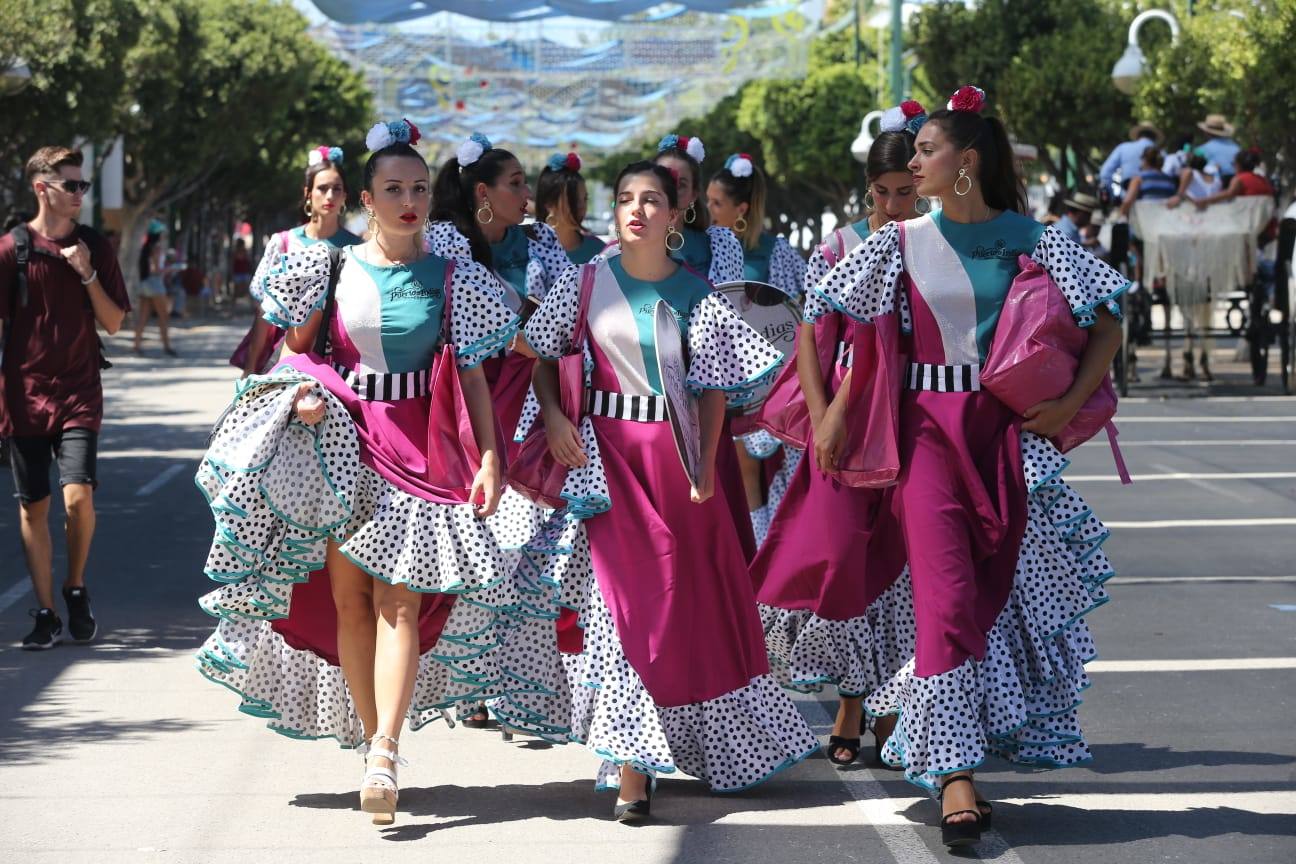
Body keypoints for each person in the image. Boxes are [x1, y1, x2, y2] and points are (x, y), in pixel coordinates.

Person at [811, 85, 1124, 848]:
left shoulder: (1032, 235)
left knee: (985, 594)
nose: (912, 161)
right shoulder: (898, 241)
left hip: (1001, 436)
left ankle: (958, 745)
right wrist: (833, 418)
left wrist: (1067, 403)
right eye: (912, 152)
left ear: (967, 162)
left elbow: (1108, 318)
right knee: (947, 597)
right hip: (924, 436)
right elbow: (849, 329)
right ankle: (955, 775)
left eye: (926, 150)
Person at [194, 119, 523, 826]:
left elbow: (471, 378)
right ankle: (373, 744)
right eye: (393, 189)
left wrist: (490, 456)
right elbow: (297, 354)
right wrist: (307, 397)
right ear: (366, 200)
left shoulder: (454, 275)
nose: (409, 200)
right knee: (350, 604)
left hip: (421, 455)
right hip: (345, 450)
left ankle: (384, 750)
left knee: (397, 603)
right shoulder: (330, 268)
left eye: (420, 188)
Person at [498, 160, 818, 822]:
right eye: (625, 199)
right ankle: (633, 769)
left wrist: (703, 470)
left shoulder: (702, 294)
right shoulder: (586, 281)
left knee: (676, 610)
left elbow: (711, 396)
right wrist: (556, 418)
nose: (636, 209)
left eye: (652, 200)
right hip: (605, 462)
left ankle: (679, 744)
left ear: (677, 216)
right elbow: (535, 354)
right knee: (621, 613)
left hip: (677, 470)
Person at [753, 103, 926, 770]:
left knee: (904, 569)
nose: (890, 206)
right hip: (849, 432)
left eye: (903, 193)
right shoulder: (841, 247)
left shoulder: (936, 241)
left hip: (916, 421)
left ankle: (889, 705)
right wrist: (823, 416)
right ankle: (854, 703)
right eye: (879, 194)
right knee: (845, 565)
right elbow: (812, 338)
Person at [425, 132, 574, 729]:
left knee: (519, 548)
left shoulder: (540, 243)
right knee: (470, 540)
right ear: (483, 192)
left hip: (531, 401)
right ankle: (466, 678)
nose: (527, 194)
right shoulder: (444, 242)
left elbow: (563, 324)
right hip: (462, 402)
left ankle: (502, 677)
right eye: (515, 184)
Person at [0, 145, 129, 649]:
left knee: (78, 497)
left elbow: (115, 322)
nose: (80, 195)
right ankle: (46, 611)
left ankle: (75, 587)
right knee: (34, 506)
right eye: (71, 185)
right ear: (42, 189)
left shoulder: (93, 246)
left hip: (78, 391)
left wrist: (87, 273)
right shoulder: (12, 250)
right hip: (23, 395)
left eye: (84, 186)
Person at [706, 152, 808, 544]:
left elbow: (796, 311)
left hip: (769, 379)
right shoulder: (706, 247)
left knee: (762, 466)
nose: (710, 210)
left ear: (741, 208)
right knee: (736, 467)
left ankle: (766, 550)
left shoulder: (775, 251)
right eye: (708, 201)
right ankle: (750, 550)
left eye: (717, 203)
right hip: (720, 373)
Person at [240, 146, 361, 377]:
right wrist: (250, 369)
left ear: (345, 195)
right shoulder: (284, 243)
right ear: (308, 193)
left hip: (339, 366)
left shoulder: (357, 249)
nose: (329, 196)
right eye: (322, 188)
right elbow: (264, 316)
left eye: (337, 189)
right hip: (288, 359)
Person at [652, 133, 744, 284]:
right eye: (663, 180)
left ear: (693, 195)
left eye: (681, 185)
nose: (670, 191)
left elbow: (734, 303)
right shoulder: (625, 249)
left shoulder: (721, 246)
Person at [535, 151, 606, 264]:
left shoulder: (600, 252)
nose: (582, 207)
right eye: (574, 199)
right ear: (549, 203)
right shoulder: (527, 251)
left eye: (585, 199)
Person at [132, 223, 176, 356]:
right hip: (155, 284)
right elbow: (156, 270)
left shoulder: (145, 248)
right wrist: (170, 269)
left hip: (144, 283)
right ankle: (167, 346)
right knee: (164, 316)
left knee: (143, 317)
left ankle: (137, 345)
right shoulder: (157, 248)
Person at [1098, 122, 1161, 202]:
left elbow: (1105, 173)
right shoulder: (1162, 153)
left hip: (1128, 201)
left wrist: (1114, 197)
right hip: (1159, 205)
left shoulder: (1123, 148)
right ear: (1154, 137)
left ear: (1138, 135)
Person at [1195, 114, 1240, 183]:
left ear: (1206, 132)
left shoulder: (1202, 149)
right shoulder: (1236, 147)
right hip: (1236, 182)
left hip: (1214, 184)